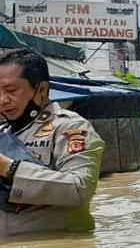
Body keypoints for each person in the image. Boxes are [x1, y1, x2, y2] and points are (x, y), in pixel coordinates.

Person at [0, 49, 104, 236]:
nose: (2, 100)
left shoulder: (69, 127)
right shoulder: (3, 133)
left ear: (41, 89)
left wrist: (10, 168)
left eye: (11, 90)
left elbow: (81, 189)